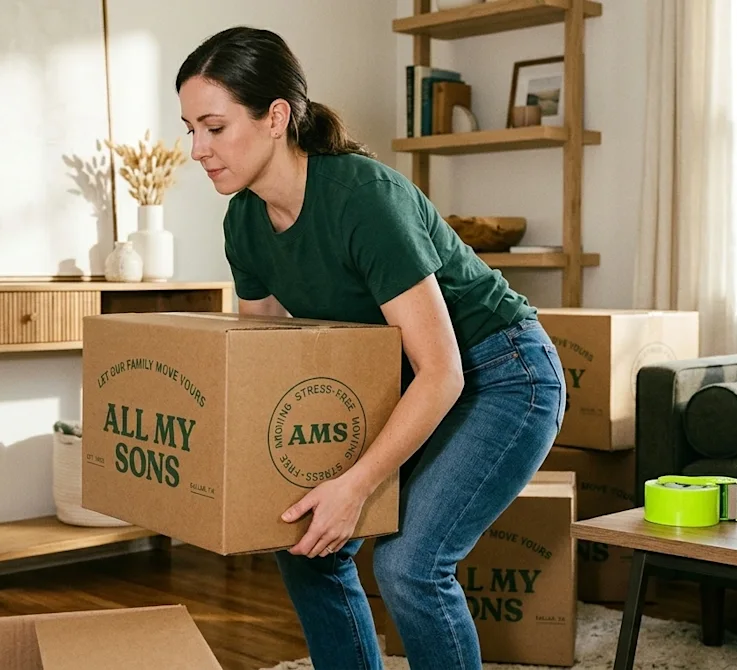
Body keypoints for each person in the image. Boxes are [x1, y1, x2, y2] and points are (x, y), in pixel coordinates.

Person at [175, 26, 566, 670]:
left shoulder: (363, 198)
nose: (197, 149)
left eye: (214, 127)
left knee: (411, 565)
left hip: (502, 376)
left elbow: (443, 372)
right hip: (397, 381)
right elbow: (265, 362)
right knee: (305, 539)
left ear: (276, 118)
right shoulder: (244, 221)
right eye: (190, 128)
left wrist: (355, 486)